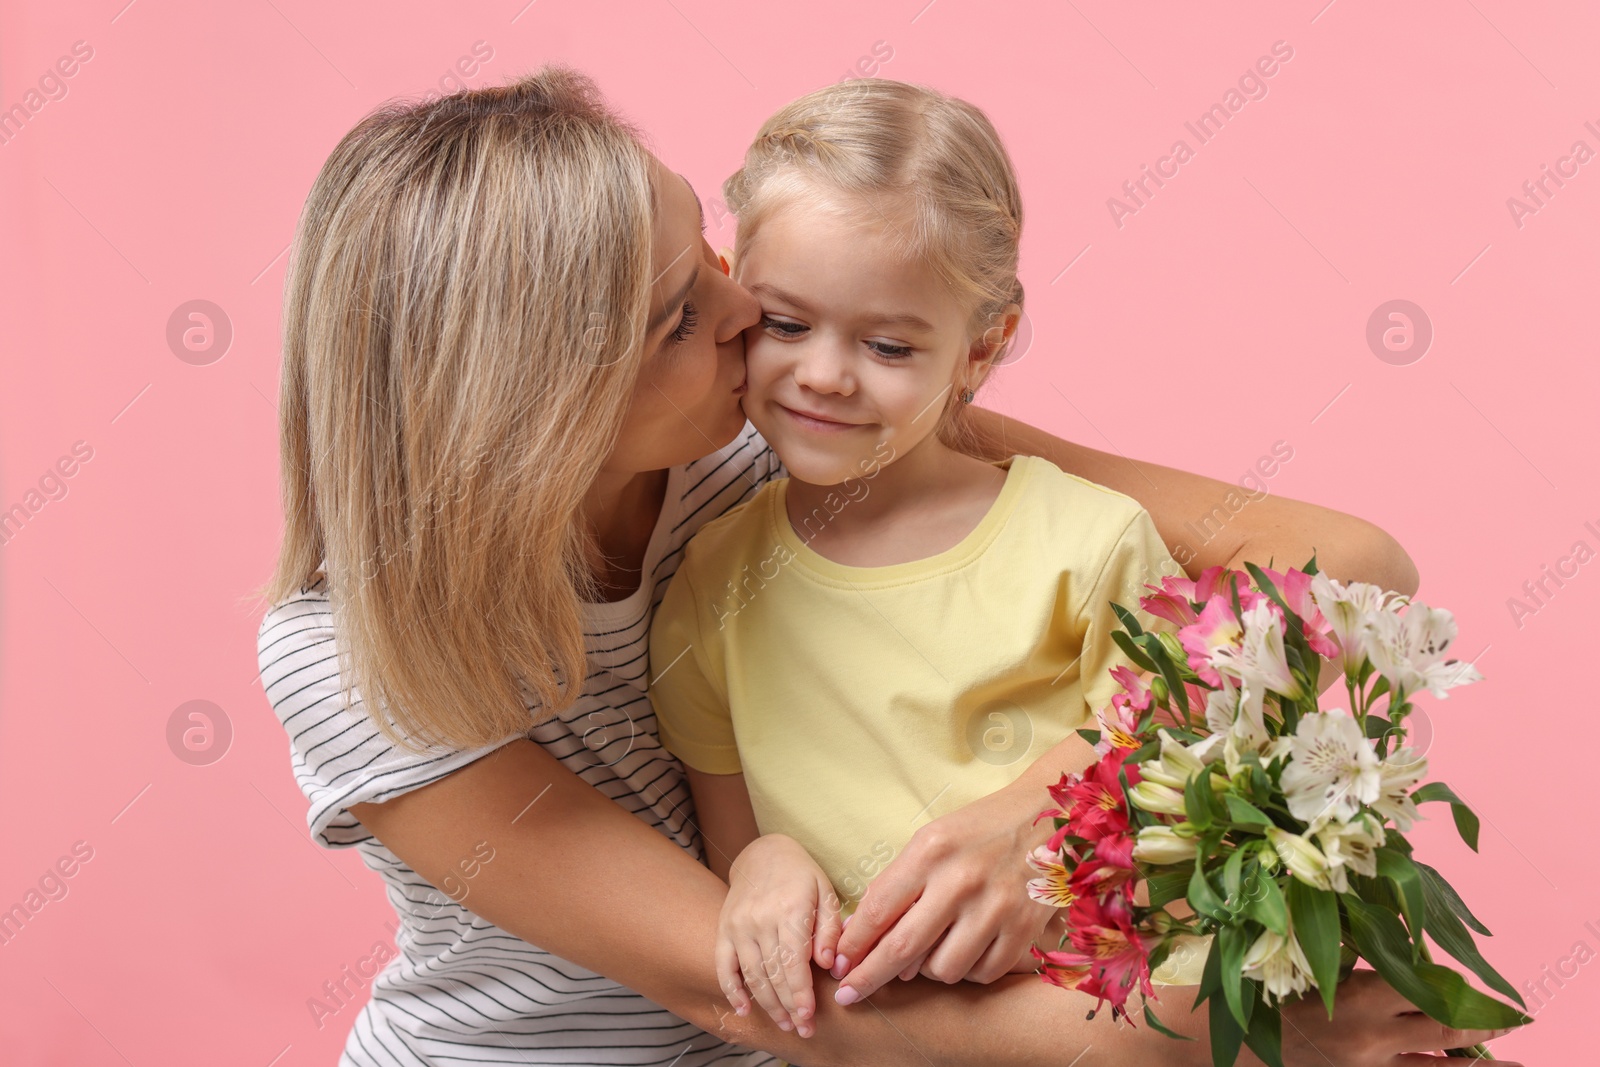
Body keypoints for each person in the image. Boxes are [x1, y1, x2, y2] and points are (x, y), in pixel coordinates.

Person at [257, 66, 1525, 1066]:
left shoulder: (784, 453)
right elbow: (752, 990)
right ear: (537, 398)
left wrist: (1053, 801)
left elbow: (1349, 566)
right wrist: (1243, 1038)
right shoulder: (346, 662)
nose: (748, 311)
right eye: (679, 316)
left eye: (708, 248)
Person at [646, 78, 1212, 1039]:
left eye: (886, 344)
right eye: (786, 323)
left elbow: (1177, 800)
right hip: (887, 1045)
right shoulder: (711, 580)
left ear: (980, 349)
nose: (823, 372)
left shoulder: (1090, 541)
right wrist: (762, 864)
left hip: (1121, 1029)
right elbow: (733, 847)